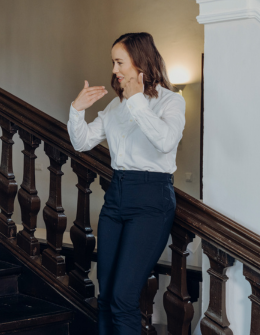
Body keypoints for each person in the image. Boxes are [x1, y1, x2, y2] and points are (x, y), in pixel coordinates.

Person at [67, 32, 185, 335]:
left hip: (151, 200)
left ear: (139, 62)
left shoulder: (171, 102)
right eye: (113, 62)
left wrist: (135, 101)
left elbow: (165, 141)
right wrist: (77, 110)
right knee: (105, 296)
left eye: (119, 62)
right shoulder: (115, 108)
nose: (115, 69)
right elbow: (82, 142)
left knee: (123, 298)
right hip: (116, 197)